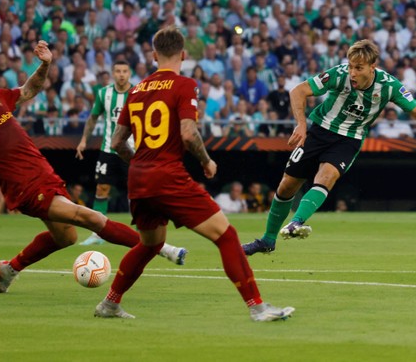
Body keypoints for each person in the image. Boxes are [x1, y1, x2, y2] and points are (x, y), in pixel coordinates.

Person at [0, 41, 187, 295]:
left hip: (45, 176)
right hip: (24, 188)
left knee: (67, 238)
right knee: (91, 218)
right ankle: (162, 248)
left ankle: (8, 269)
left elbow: (29, 90)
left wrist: (45, 64)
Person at [94, 26, 294, 322]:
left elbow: (116, 143)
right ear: (183, 55)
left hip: (138, 178)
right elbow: (188, 135)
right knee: (226, 236)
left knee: (150, 244)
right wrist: (206, 161)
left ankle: (109, 304)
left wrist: (141, 162)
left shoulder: (135, 90)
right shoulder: (184, 85)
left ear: (153, 55)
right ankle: (257, 307)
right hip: (168, 176)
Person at [243, 40, 416, 255]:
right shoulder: (339, 74)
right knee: (287, 185)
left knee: (326, 176)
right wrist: (301, 125)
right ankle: (268, 240)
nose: (352, 73)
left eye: (358, 68)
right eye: (351, 66)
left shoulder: (390, 86)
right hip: (318, 131)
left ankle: (296, 222)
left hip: (349, 139)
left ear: (373, 67)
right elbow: (298, 91)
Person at [75, 60, 147, 248]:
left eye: (125, 71)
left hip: (131, 151)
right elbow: (93, 118)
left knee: (136, 191)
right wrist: (83, 140)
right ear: (113, 73)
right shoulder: (103, 93)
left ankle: (143, 231)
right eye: (118, 71)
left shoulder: (138, 93)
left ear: (129, 73)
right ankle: (97, 233)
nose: (121, 74)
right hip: (108, 150)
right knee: (102, 189)